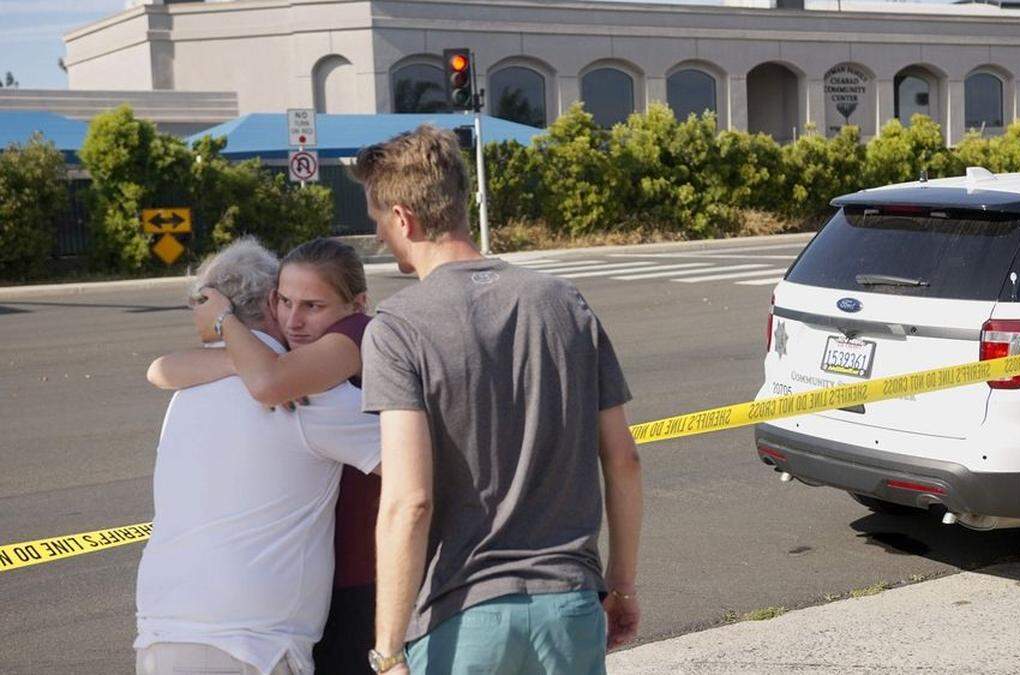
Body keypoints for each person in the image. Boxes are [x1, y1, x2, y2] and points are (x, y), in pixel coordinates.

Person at [352, 126, 645, 675]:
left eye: (377, 224)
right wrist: (621, 585)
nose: (379, 239)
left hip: (461, 618)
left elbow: (408, 503)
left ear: (402, 219)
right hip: (570, 605)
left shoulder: (397, 328)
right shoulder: (564, 302)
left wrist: (387, 651)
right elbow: (624, 460)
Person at [134, 237, 381, 675]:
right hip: (252, 647)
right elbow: (416, 463)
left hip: (160, 634)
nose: (295, 318)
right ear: (271, 301)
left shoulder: (187, 390)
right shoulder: (304, 394)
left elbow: (160, 369)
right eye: (287, 302)